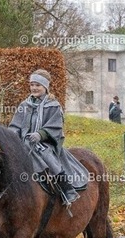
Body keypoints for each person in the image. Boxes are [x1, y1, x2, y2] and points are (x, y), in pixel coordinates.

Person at [9, 69, 87, 207]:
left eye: (38, 85)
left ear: (45, 87)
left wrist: (40, 134)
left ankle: (67, 190)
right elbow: (15, 125)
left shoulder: (53, 105)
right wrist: (12, 137)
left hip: (45, 143)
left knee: (47, 157)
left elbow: (55, 126)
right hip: (24, 143)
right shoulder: (24, 105)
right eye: (32, 84)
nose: (34, 88)